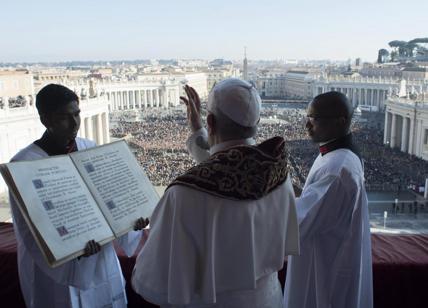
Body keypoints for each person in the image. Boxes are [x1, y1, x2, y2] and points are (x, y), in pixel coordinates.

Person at [132, 78, 299, 307]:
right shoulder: (278, 173)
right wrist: (197, 130)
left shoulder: (183, 194)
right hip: (269, 299)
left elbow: (153, 282)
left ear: (210, 121)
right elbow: (231, 172)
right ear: (257, 122)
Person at [9, 84, 148, 308]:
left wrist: (131, 222)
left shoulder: (89, 148)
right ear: (46, 120)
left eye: (77, 114)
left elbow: (108, 200)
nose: (74, 123)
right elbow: (29, 231)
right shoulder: (24, 165)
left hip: (100, 256)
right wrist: (74, 252)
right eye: (64, 117)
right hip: (58, 274)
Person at [283, 91, 373, 308]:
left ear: (341, 121)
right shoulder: (336, 154)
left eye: (314, 119)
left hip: (324, 275)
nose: (307, 125)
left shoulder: (337, 169)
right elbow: (316, 201)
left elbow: (297, 223)